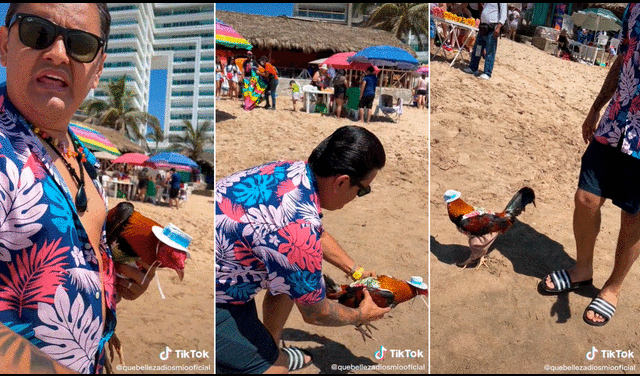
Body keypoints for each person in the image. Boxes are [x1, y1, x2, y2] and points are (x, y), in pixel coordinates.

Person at [0, 3, 157, 373]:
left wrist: (113, 275)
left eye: (80, 44)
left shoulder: (76, 152)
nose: (57, 54)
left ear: (98, 68)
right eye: (37, 32)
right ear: (4, 45)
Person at [216, 126, 390, 373]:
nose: (360, 195)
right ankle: (265, 361)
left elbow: (314, 236)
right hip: (217, 297)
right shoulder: (299, 229)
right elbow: (316, 313)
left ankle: (271, 346)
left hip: (226, 265)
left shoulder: (293, 171)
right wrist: (360, 315)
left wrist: (356, 271)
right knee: (275, 371)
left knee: (295, 278)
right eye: (363, 190)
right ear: (342, 182)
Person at [540, 4, 640, 327]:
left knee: (634, 218)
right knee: (585, 198)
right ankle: (582, 269)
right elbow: (623, 58)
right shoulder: (634, 7)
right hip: (616, 120)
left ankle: (613, 287)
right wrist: (597, 106)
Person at [463, 3, 508, 80]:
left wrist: (499, 27)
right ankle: (473, 68)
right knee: (478, 48)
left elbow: (504, 13)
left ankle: (487, 73)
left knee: (490, 51)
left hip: (492, 27)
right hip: (483, 26)